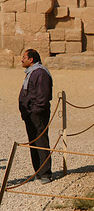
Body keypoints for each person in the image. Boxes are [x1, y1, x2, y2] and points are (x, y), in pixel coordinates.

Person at [19, 49, 53, 184]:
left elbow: (42, 95)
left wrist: (35, 111)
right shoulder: (32, 72)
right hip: (30, 114)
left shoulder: (41, 73)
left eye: (24, 57)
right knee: (33, 142)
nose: (21, 59)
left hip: (37, 114)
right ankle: (38, 171)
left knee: (41, 141)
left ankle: (46, 173)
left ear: (31, 59)